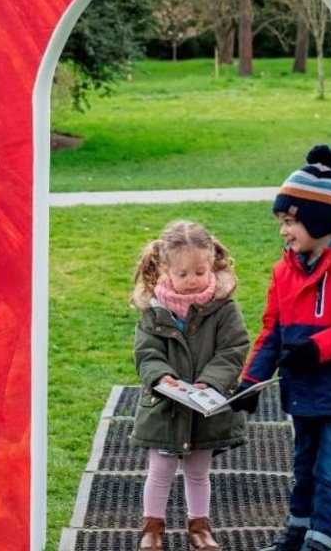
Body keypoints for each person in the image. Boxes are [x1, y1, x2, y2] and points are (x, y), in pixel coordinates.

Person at [234, 145, 331, 551]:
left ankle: (321, 540)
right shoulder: (284, 269)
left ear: (317, 219)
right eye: (282, 221)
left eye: (291, 221)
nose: (284, 231)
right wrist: (250, 381)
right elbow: (271, 331)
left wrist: (315, 349)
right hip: (303, 394)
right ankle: (296, 533)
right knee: (303, 468)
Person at [131, 220, 250, 551]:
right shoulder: (154, 311)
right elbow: (146, 352)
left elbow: (234, 349)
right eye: (182, 274)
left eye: (199, 271)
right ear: (165, 269)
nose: (192, 280)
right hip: (165, 407)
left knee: (199, 471)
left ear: (211, 263)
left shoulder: (224, 308)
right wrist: (160, 377)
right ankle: (152, 527)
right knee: (161, 469)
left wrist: (208, 382)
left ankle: (200, 526)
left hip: (206, 407)